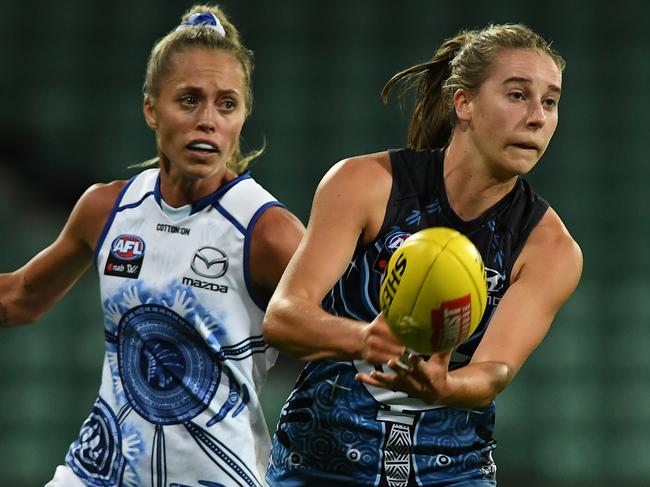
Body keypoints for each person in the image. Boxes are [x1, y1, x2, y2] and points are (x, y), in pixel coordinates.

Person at [263, 23, 582, 486]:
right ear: (464, 103)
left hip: (451, 473)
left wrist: (446, 386)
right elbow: (284, 317)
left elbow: (494, 370)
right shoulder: (363, 184)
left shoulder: (550, 249)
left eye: (549, 102)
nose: (537, 116)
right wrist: (362, 339)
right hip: (319, 465)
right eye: (517, 95)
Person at [0, 4, 304, 486]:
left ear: (243, 116)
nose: (208, 120)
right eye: (188, 100)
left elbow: (345, 341)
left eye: (226, 104)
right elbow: (18, 297)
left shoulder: (267, 231)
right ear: (150, 108)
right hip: (97, 472)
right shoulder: (107, 209)